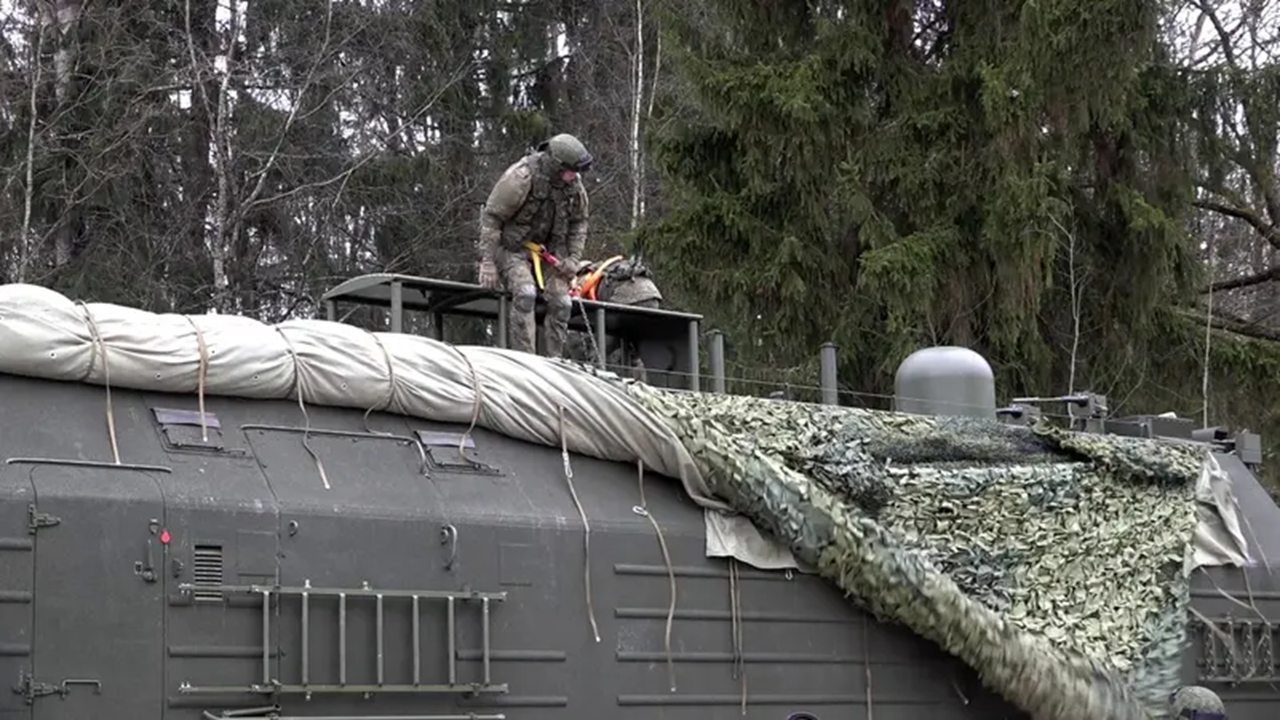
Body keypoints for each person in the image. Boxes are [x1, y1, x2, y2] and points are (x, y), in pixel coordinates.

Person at [476, 133, 593, 357]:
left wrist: (573, 260)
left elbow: (579, 222)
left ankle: (555, 361)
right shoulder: (520, 178)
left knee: (562, 304)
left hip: (550, 253)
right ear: (557, 165)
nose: (575, 176)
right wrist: (488, 262)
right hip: (512, 249)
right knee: (525, 293)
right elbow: (492, 218)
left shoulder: (574, 186)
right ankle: (527, 361)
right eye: (571, 170)